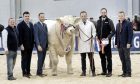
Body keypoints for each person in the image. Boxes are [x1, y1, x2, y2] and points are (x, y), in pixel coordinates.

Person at [96, 8, 115, 77]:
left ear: (106, 13)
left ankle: (109, 71)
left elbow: (113, 31)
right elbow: (97, 31)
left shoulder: (109, 21)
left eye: (104, 12)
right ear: (100, 13)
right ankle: (104, 71)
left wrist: (107, 38)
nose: (103, 13)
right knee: (102, 57)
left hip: (107, 43)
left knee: (108, 57)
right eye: (102, 12)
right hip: (100, 43)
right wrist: (97, 36)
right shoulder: (98, 21)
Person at [77, 11, 96, 77]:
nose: (83, 17)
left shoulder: (91, 24)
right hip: (82, 43)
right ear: (80, 17)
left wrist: (92, 37)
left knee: (91, 58)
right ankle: (83, 72)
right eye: (82, 16)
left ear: (86, 16)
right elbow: (76, 33)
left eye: (84, 16)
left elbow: (94, 32)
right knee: (83, 58)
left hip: (89, 43)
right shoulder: (78, 24)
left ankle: (93, 71)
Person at [115, 11, 133, 77]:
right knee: (122, 59)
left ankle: (128, 73)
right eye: (119, 16)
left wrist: (129, 42)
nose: (120, 17)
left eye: (122, 16)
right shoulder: (117, 24)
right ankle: (124, 72)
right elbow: (116, 35)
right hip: (119, 45)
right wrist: (116, 43)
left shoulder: (128, 23)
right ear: (118, 16)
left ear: (124, 16)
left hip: (126, 44)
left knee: (127, 58)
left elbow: (130, 34)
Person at [17, 11, 34, 78]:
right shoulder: (20, 25)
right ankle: (24, 73)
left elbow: (32, 35)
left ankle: (28, 72)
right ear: (23, 17)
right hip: (24, 46)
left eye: (28, 16)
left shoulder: (31, 24)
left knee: (29, 59)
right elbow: (19, 36)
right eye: (26, 16)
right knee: (24, 59)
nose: (27, 17)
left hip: (30, 45)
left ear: (29, 16)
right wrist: (21, 45)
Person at [34, 13, 48, 77]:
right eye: (41, 17)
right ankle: (39, 73)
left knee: (43, 59)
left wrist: (47, 45)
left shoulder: (45, 25)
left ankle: (40, 71)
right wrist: (38, 45)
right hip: (40, 45)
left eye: (43, 17)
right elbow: (36, 36)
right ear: (39, 17)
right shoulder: (36, 25)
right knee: (40, 58)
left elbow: (46, 35)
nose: (42, 18)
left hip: (45, 45)